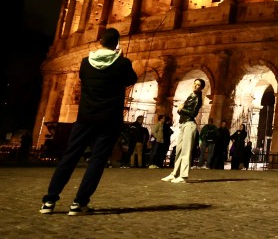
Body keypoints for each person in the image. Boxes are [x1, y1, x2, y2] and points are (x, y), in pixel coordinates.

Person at [40, 28, 138, 215]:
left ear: (100, 42)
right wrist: (121, 59)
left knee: (70, 157)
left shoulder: (86, 62)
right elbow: (131, 79)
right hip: (109, 119)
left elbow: (85, 79)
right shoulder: (122, 63)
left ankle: (49, 201)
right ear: (117, 44)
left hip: (85, 117)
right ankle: (79, 203)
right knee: (97, 160)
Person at [162, 78, 204, 183]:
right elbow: (181, 112)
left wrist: (182, 108)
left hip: (189, 125)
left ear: (201, 88)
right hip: (183, 124)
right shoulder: (191, 96)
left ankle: (184, 176)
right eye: (194, 83)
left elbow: (193, 113)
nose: (195, 86)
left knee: (186, 151)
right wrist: (180, 109)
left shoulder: (198, 98)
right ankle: (174, 174)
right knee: (178, 150)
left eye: (198, 85)